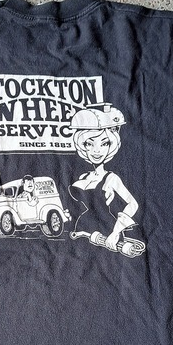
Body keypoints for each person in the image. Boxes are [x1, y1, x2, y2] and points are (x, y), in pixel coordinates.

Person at [68, 103, 145, 257]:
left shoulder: (111, 178)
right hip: (83, 229)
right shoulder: (83, 177)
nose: (96, 150)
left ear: (112, 145)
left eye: (104, 143)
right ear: (82, 145)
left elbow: (133, 204)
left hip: (106, 231)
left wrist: (116, 232)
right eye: (89, 143)